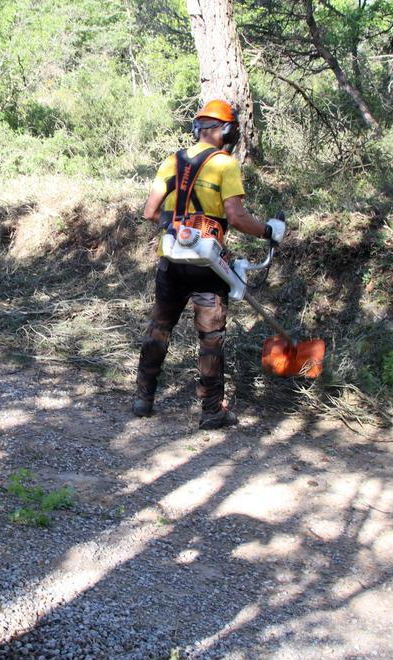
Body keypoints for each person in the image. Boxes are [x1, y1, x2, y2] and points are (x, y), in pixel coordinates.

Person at [133, 99, 286, 430]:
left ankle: (143, 398)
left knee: (160, 327)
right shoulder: (224, 164)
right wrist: (268, 231)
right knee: (211, 337)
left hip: (172, 257)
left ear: (197, 128)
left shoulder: (170, 162)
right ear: (227, 131)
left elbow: (150, 212)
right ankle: (212, 410)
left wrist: (177, 226)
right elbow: (237, 217)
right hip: (207, 265)